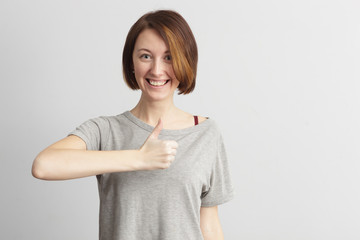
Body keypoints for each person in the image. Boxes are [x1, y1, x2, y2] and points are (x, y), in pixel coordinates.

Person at [32, 10, 234, 240]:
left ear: (185, 60)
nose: (157, 70)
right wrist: (139, 158)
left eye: (169, 57)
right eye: (145, 56)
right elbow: (43, 165)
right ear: (132, 63)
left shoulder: (205, 133)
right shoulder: (105, 131)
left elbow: (209, 224)